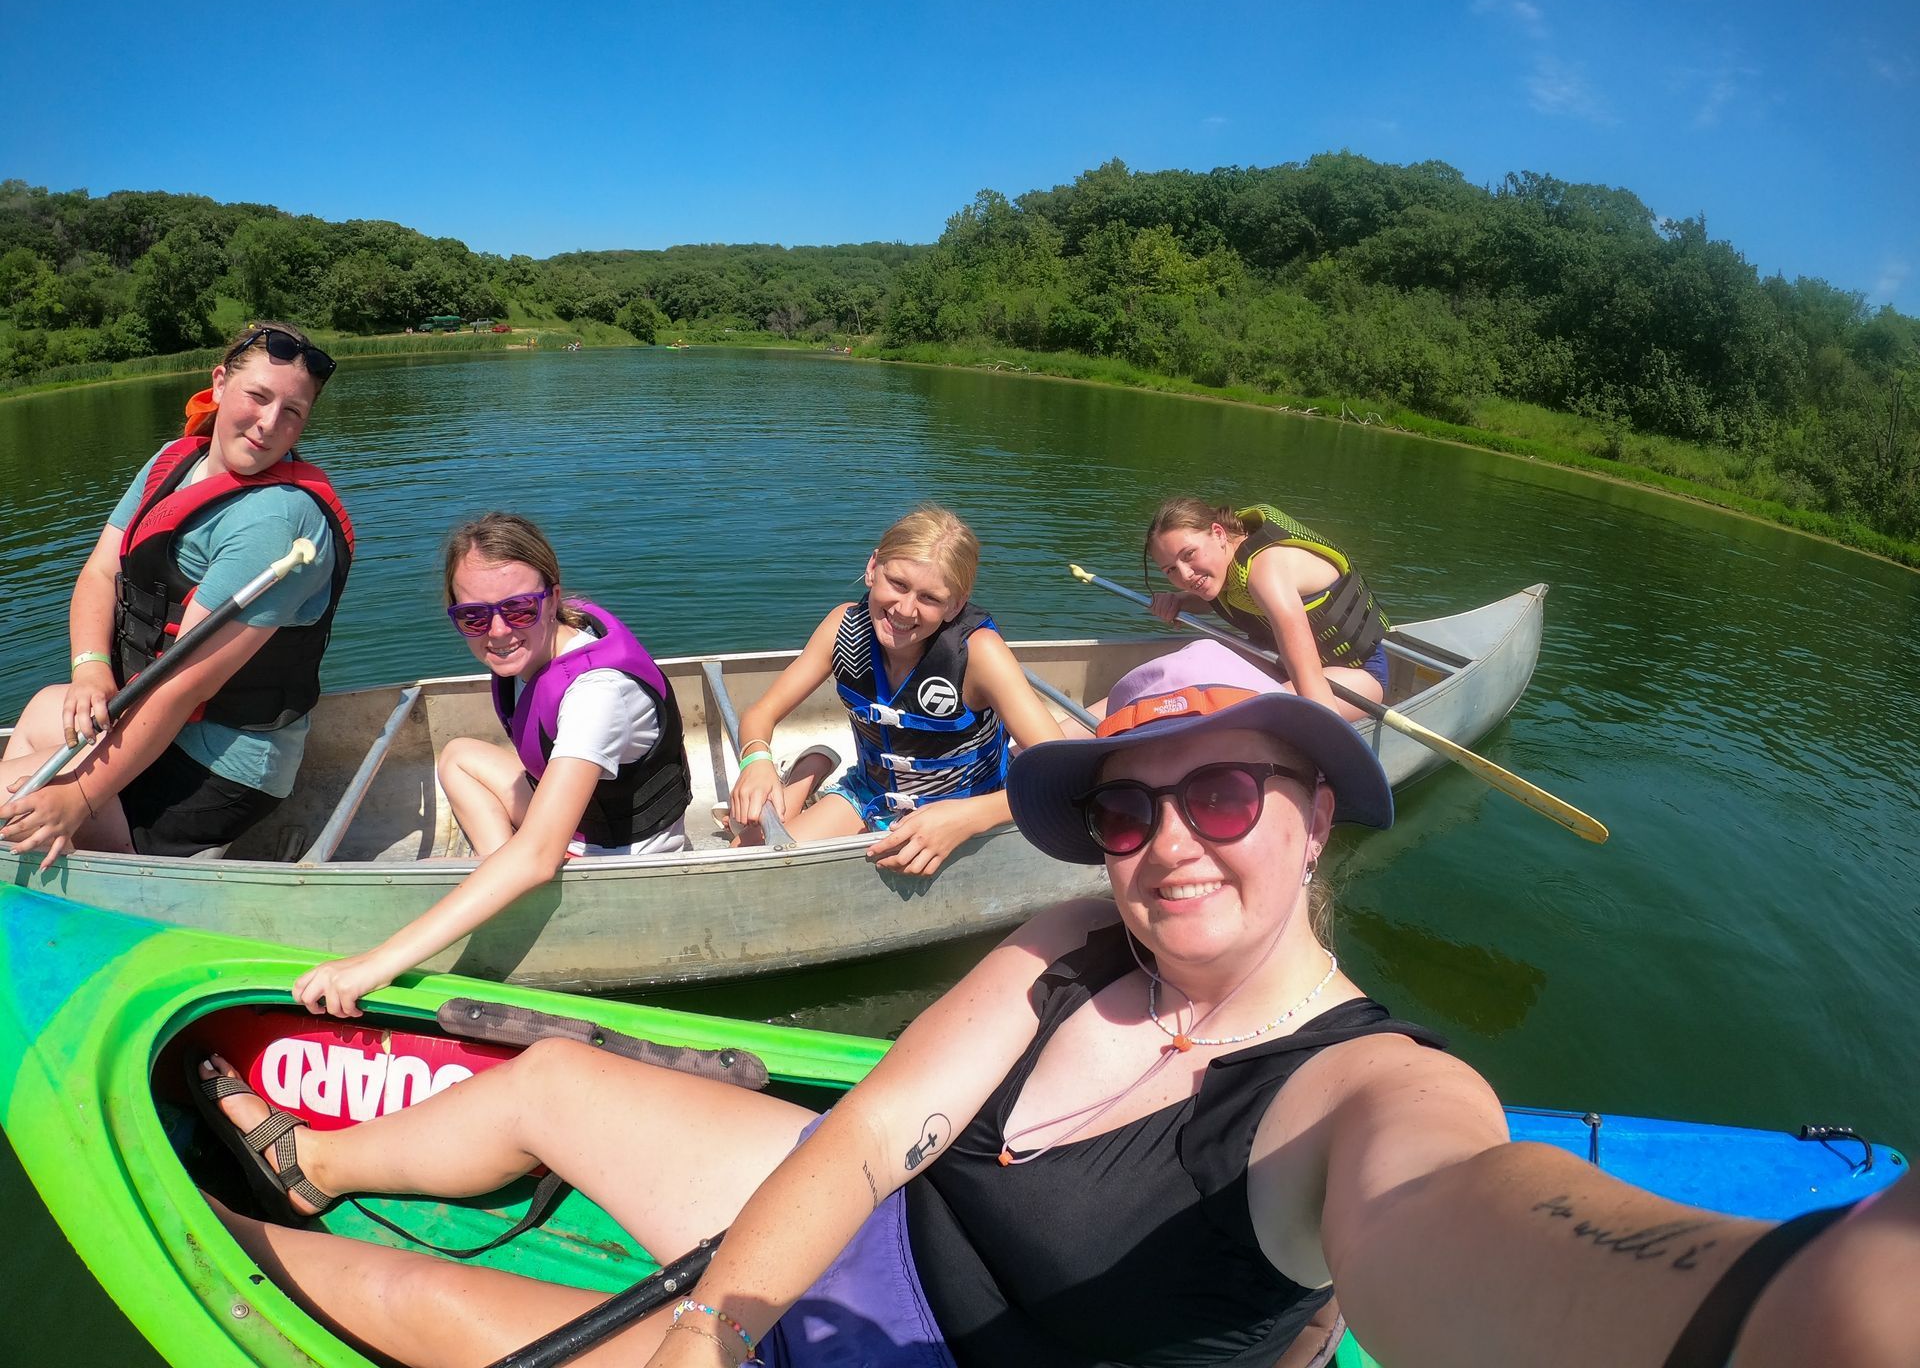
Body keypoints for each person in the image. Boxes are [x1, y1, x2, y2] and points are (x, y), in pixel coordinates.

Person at [191, 639, 1918, 1367]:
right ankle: (315, 1154)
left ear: (1319, 813)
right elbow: (869, 1132)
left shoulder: (1361, 1098)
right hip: (865, 1257)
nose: (1165, 844)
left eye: (1224, 795)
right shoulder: (1078, 946)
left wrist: (1802, 1308)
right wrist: (720, 1325)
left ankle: (278, 1247)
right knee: (556, 1079)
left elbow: (1478, 1217)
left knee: (385, 1302)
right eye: (1124, 805)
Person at [290, 513, 692, 1016]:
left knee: (492, 865)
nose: (498, 632)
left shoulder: (597, 694)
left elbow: (540, 854)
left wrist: (377, 962)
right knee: (459, 755)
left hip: (618, 852)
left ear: (552, 597)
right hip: (579, 819)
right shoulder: (559, 631)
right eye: (474, 618)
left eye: (519, 609)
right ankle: (501, 872)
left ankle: (505, 879)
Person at [1, 322, 351, 864]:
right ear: (218, 384)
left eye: (292, 412)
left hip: (215, 770)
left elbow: (179, 687)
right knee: (48, 706)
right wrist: (91, 669)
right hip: (152, 720)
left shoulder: (276, 521)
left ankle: (115, 850)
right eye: (257, 396)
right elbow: (99, 572)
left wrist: (77, 798)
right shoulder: (174, 461)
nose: (267, 424)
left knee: (15, 806)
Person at [724, 504, 1063, 876]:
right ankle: (810, 771)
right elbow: (762, 713)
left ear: (956, 605)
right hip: (872, 793)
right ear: (873, 568)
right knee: (745, 857)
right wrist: (755, 761)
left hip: (969, 802)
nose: (904, 609)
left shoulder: (978, 654)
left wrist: (970, 818)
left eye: (930, 598)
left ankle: (810, 772)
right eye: (898, 584)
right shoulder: (842, 629)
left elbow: (1062, 772)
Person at [1143, 497, 1391, 722]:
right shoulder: (1227, 557)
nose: (1185, 575)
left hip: (1356, 674)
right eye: (1170, 570)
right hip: (1276, 662)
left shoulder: (1265, 570)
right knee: (1189, 666)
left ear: (1218, 533)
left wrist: (1333, 744)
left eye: (1189, 554)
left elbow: (1308, 676)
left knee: (1256, 711)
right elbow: (1223, 598)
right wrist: (1180, 601)